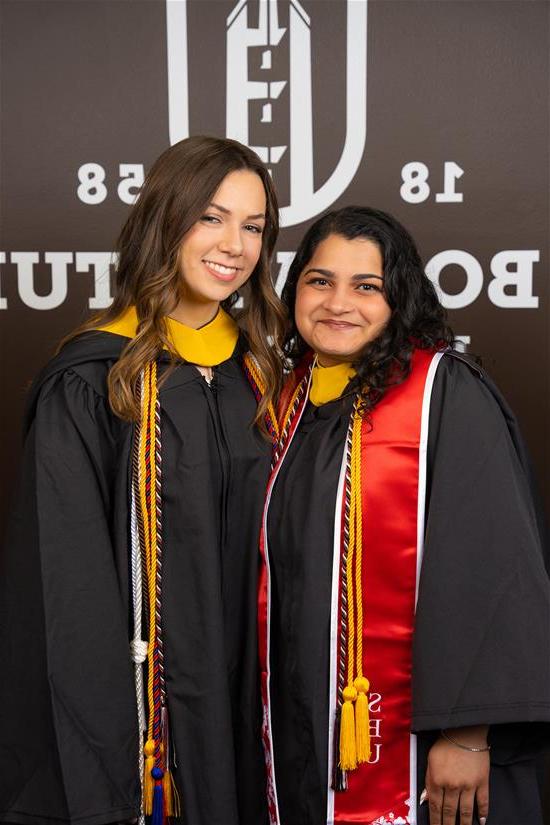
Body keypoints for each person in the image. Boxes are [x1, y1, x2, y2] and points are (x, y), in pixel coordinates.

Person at [0, 136, 285, 825]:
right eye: (211, 217)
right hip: (145, 710)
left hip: (254, 703)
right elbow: (67, 588)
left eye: (253, 227)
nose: (234, 245)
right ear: (167, 217)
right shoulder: (95, 377)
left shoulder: (263, 375)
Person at [259, 206, 550, 825]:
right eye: (319, 281)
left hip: (424, 743)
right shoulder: (285, 403)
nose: (339, 303)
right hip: (299, 733)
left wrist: (467, 734)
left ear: (400, 298)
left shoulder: (444, 392)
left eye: (367, 286)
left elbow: (491, 569)